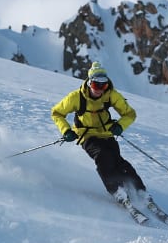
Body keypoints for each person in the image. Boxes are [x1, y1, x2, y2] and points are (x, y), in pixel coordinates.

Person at [51, 61, 147, 207]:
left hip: (107, 133)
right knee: (103, 156)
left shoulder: (111, 95)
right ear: (90, 83)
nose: (100, 89)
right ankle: (117, 191)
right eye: (96, 85)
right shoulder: (76, 97)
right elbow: (57, 113)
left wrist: (120, 126)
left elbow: (130, 114)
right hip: (87, 135)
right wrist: (66, 130)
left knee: (118, 161)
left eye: (104, 85)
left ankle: (140, 190)